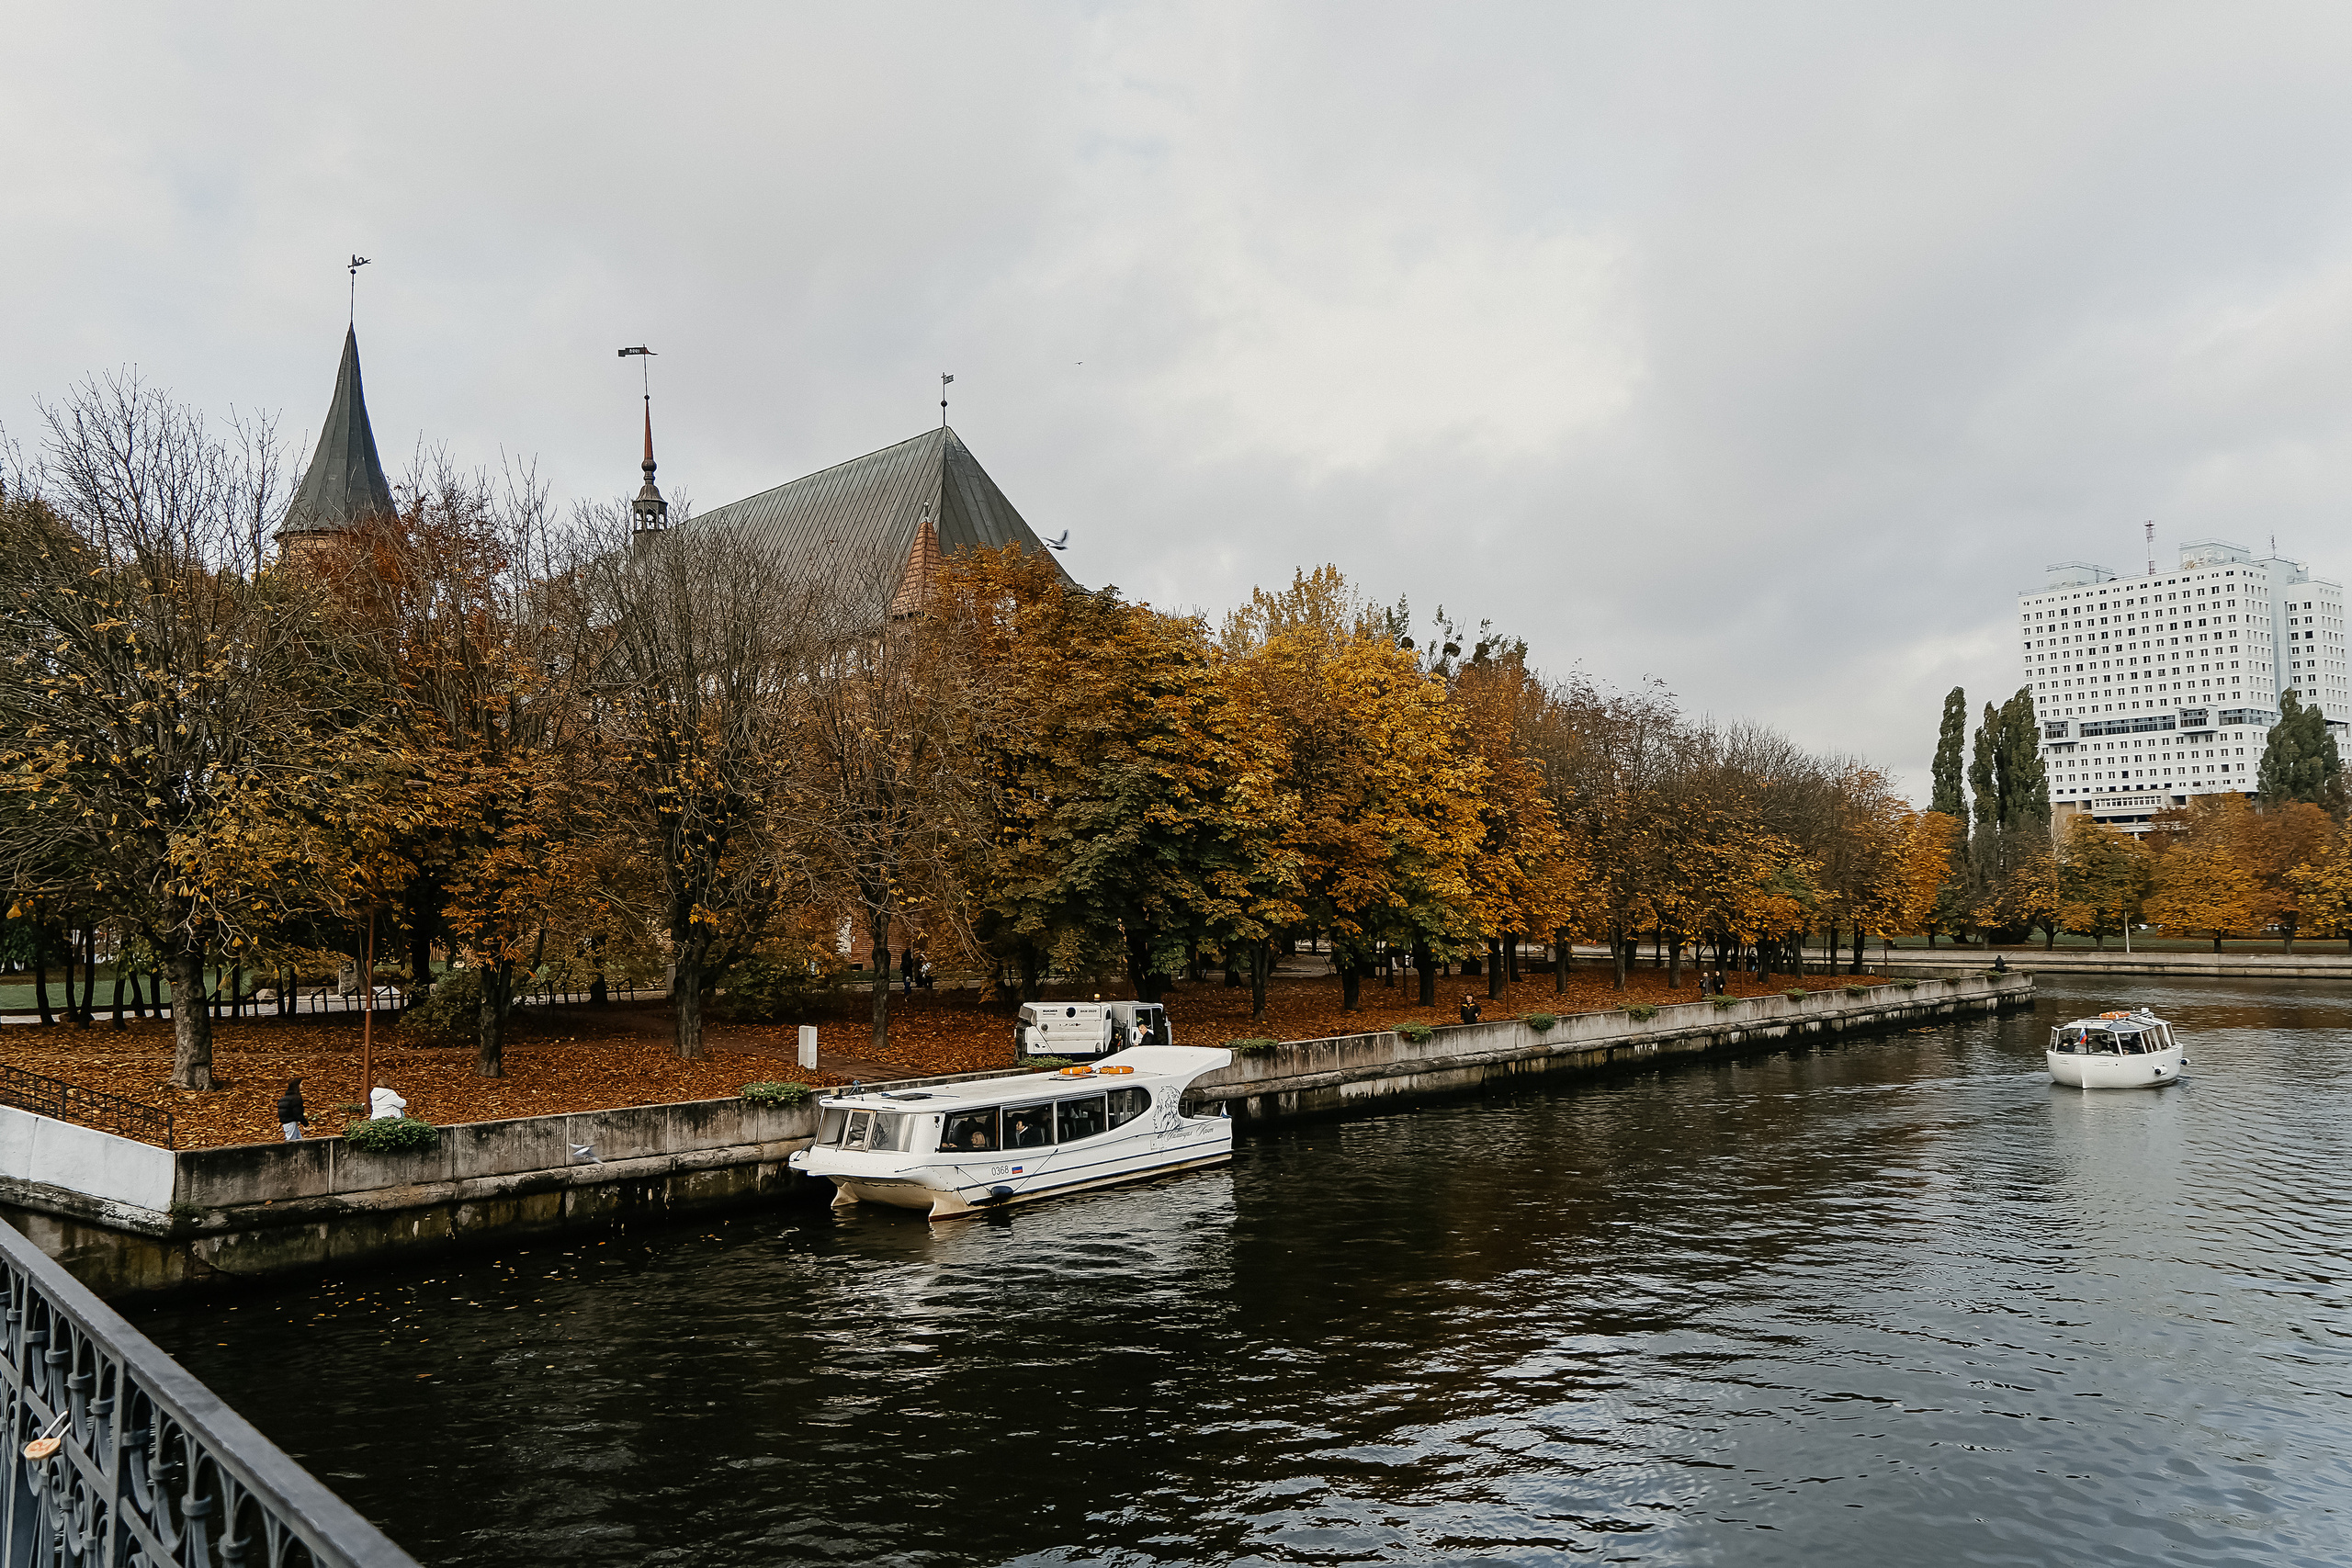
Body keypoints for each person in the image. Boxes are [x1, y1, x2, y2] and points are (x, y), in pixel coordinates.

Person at [277, 1077, 309, 1142]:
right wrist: (305, 1124)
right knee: (291, 1142)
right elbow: (298, 1113)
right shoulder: (296, 1098)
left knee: (298, 1140)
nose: (302, 1086)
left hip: (286, 1122)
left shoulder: (285, 1098)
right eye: (301, 1084)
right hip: (291, 1122)